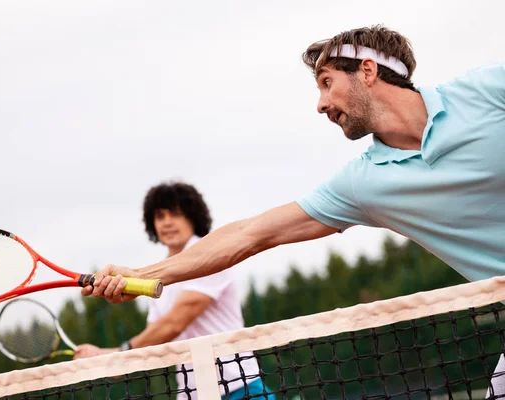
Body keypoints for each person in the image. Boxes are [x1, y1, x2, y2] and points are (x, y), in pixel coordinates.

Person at [83, 26, 505, 397]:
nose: (320, 104)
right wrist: (142, 275)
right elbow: (251, 234)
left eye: (326, 82)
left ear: (368, 71)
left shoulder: (487, 90)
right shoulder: (362, 184)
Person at [74, 181, 275, 400]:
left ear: (192, 217)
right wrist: (104, 357)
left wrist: (119, 356)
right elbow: (155, 339)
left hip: (240, 388)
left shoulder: (212, 256)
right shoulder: (154, 278)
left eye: (176, 214)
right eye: (160, 216)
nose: (167, 222)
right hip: (192, 394)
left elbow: (173, 323)